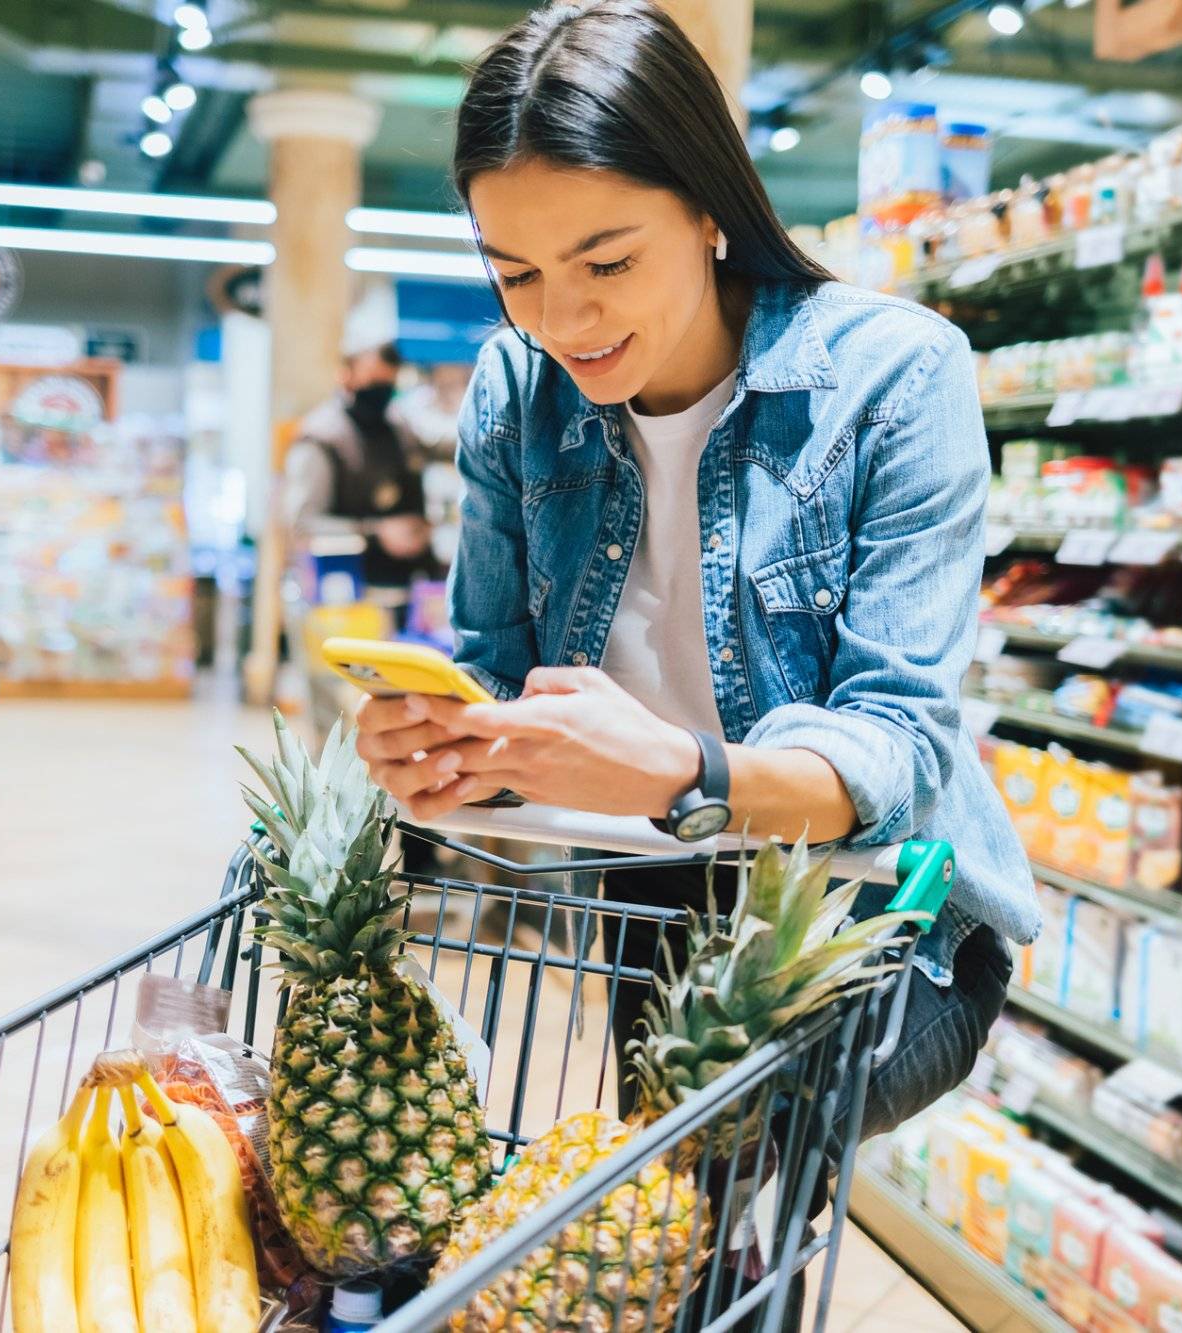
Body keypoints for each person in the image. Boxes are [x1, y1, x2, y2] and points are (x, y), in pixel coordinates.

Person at [352, 0, 1038, 1149]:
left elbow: (900, 748)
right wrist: (446, 739)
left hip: (876, 909)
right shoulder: (513, 395)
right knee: (679, 1232)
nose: (560, 321)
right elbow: (492, 669)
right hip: (650, 896)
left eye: (605, 261)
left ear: (712, 210)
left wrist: (685, 769)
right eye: (513, 274)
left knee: (710, 1164)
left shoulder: (896, 380)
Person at [279, 340, 438, 594]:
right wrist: (376, 533)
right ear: (346, 375)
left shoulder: (399, 427)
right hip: (346, 594)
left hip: (409, 589)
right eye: (373, 381)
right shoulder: (321, 437)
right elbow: (302, 524)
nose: (380, 392)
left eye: (388, 384)